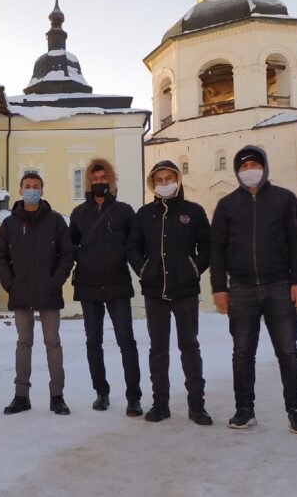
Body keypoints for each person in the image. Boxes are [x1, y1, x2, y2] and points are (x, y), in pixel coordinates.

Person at [210, 146, 297, 434]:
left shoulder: (284, 199)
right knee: (242, 352)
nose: (249, 170)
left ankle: (296, 411)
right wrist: (219, 287)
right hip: (240, 286)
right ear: (237, 172)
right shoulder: (227, 205)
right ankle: (244, 409)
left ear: (264, 168)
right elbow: (217, 248)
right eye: (243, 166)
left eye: (254, 164)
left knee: (288, 351)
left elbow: (296, 242)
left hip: (279, 284)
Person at [127, 160, 211, 424]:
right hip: (155, 292)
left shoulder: (193, 212)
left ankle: (197, 405)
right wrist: (144, 270)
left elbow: (208, 247)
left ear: (178, 180)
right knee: (158, 349)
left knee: (190, 347)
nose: (164, 184)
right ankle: (160, 403)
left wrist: (193, 268)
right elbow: (133, 248)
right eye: (159, 180)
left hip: (185, 291)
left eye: (169, 178)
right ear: (153, 184)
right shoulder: (144, 214)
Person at [0, 172, 74, 415]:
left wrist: (55, 281)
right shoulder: (9, 223)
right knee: (23, 343)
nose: (32, 190)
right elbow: (0, 257)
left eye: (36, 186)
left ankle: (57, 395)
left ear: (42, 189)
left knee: (53, 343)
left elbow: (67, 255)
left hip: (48, 293)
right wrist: (10, 284)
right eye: (27, 186)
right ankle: (21, 396)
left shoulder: (55, 221)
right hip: (21, 292)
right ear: (20, 190)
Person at [71, 158, 142, 417]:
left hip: (117, 283)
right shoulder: (79, 214)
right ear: (89, 182)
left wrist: (143, 271)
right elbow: (70, 247)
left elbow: (135, 245)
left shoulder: (124, 211)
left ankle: (133, 396)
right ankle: (101, 392)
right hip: (89, 285)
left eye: (104, 179)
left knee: (126, 341)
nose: (100, 183)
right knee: (93, 342)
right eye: (95, 179)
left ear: (111, 182)